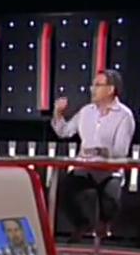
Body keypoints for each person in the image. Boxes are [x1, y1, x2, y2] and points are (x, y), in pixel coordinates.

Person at [51, 69, 135, 242]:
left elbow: (121, 152)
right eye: (93, 85)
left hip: (109, 172)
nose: (92, 89)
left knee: (110, 202)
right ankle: (82, 224)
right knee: (65, 191)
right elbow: (64, 131)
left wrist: (100, 151)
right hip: (84, 169)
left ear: (110, 89)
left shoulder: (124, 116)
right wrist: (58, 113)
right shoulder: (86, 111)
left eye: (97, 85)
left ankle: (103, 226)